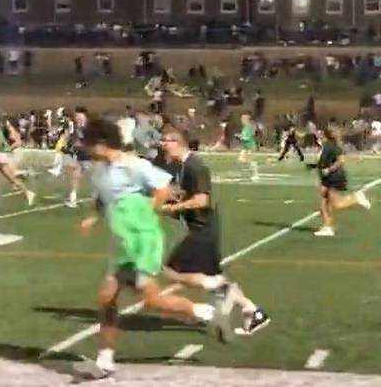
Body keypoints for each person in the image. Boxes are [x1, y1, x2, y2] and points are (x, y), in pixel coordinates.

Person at [77, 118, 230, 378]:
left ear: (102, 143)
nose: (86, 148)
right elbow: (103, 199)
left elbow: (163, 188)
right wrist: (93, 217)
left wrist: (148, 210)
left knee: (146, 298)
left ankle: (203, 311)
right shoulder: (99, 171)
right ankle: (105, 360)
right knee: (109, 298)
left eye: (89, 143)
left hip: (144, 241)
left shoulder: (135, 166)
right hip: (123, 243)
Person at [157, 130, 271, 337]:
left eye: (165, 140)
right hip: (201, 227)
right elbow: (187, 197)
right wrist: (172, 203)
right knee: (216, 276)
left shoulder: (195, 166)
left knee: (170, 271)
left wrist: (171, 209)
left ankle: (211, 304)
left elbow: (202, 201)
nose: (161, 143)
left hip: (203, 229)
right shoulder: (183, 166)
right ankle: (254, 311)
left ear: (177, 143)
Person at [313, 127, 372, 237]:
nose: (319, 134)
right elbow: (322, 161)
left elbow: (341, 160)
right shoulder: (324, 146)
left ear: (325, 135)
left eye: (321, 132)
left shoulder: (333, 146)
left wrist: (329, 169)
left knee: (336, 203)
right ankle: (327, 227)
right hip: (325, 178)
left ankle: (356, 198)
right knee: (324, 202)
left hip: (335, 177)